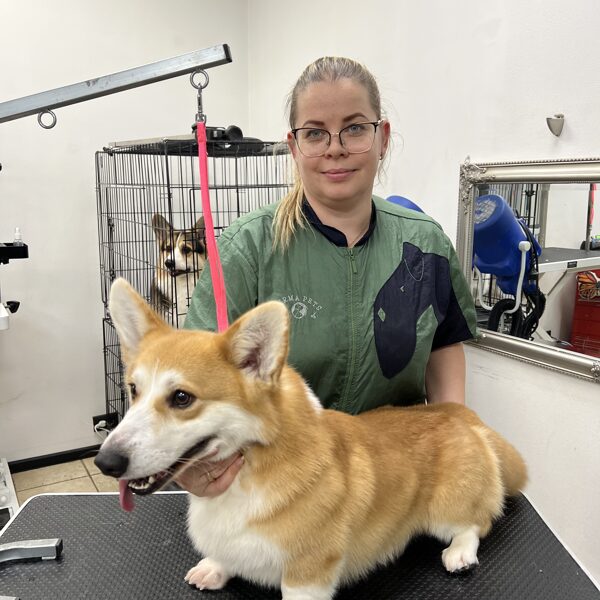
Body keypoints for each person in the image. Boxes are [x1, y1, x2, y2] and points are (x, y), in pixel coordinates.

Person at [175, 56, 477, 496]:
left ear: (382, 138)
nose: (335, 148)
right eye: (315, 133)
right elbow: (192, 375)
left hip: (395, 485)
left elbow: (443, 346)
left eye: (354, 128)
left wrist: (457, 441)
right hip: (277, 488)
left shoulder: (424, 243)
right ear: (294, 146)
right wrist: (190, 459)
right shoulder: (247, 248)